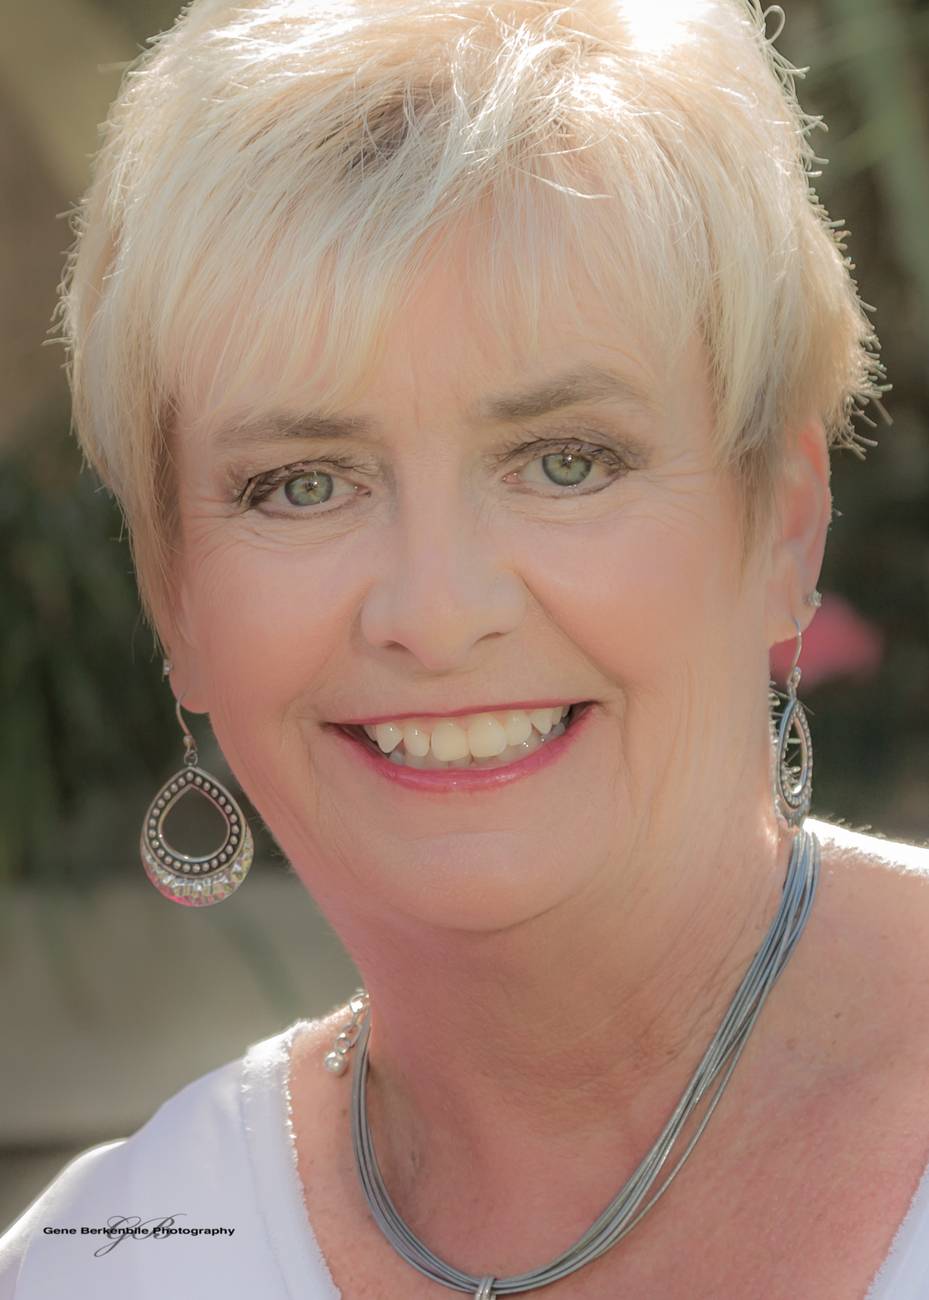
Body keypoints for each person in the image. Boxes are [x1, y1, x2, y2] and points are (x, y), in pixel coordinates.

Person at [3, 0, 929, 1295]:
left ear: (782, 525)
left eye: (563, 461)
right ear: (177, 598)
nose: (436, 615)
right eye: (303, 483)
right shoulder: (106, 1264)